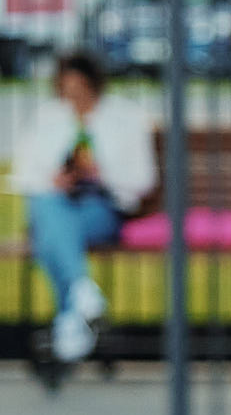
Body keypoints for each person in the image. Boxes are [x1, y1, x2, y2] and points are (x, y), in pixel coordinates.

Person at [15, 49, 153, 364]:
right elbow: (24, 174)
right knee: (48, 208)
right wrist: (53, 179)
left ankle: (75, 311)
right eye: (67, 92)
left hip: (101, 206)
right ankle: (82, 301)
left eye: (80, 91)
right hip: (55, 201)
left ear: (95, 85)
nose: (74, 100)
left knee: (49, 234)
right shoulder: (48, 117)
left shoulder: (125, 118)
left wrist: (102, 175)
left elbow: (143, 179)